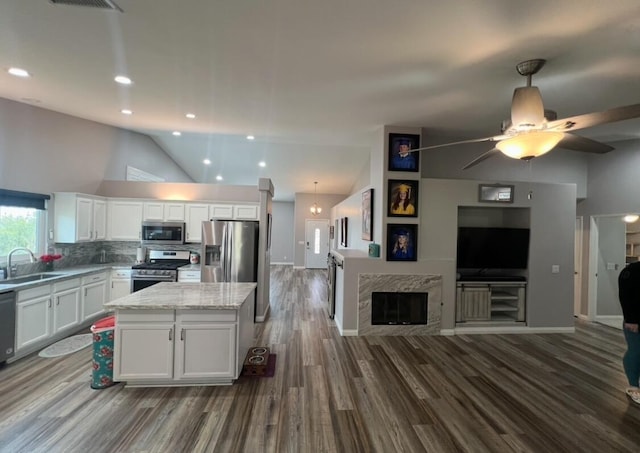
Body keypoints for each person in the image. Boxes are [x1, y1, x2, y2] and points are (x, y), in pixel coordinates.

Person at [618, 261, 640, 404]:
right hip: (635, 321)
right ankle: (633, 386)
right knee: (636, 350)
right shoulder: (631, 271)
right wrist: (630, 319)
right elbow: (625, 296)